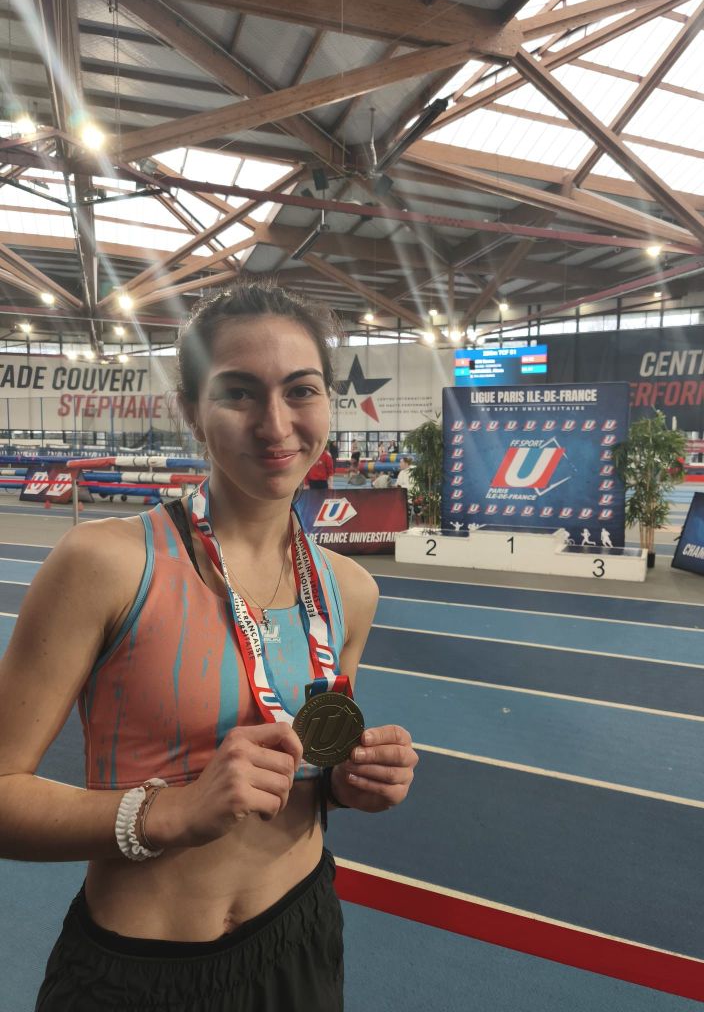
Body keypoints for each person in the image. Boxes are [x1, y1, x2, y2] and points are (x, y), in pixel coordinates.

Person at [0, 279, 418, 1011]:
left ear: (329, 402)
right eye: (239, 393)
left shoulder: (349, 591)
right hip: (140, 975)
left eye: (301, 390)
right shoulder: (105, 564)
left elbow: (310, 764)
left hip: (301, 941)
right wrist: (168, 813)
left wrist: (350, 784)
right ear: (191, 410)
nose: (275, 424)